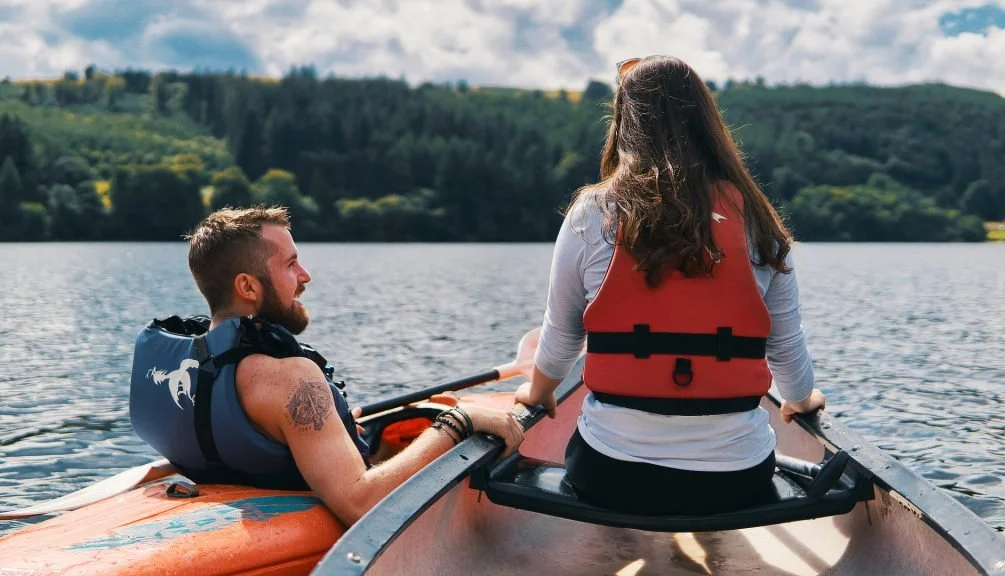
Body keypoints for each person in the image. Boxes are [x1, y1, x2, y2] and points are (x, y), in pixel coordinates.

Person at [514, 55, 826, 516]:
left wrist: (538, 394)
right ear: (707, 124)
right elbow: (786, 345)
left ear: (624, 123)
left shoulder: (594, 212)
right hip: (738, 480)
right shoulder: (758, 223)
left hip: (611, 474)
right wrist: (802, 399)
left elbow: (561, 333)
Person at [129, 206, 524, 526]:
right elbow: (359, 502)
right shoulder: (291, 379)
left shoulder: (193, 363)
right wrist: (459, 422)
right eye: (290, 265)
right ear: (248, 287)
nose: (306, 276)